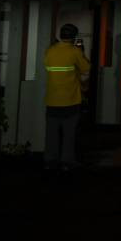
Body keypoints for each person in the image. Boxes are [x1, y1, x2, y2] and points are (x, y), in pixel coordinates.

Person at [44, 23, 90, 170]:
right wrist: (81, 52)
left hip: (52, 100)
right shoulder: (74, 51)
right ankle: (67, 161)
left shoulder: (50, 51)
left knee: (52, 133)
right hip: (71, 100)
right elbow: (86, 68)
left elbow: (47, 66)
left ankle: (50, 160)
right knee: (69, 133)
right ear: (74, 36)